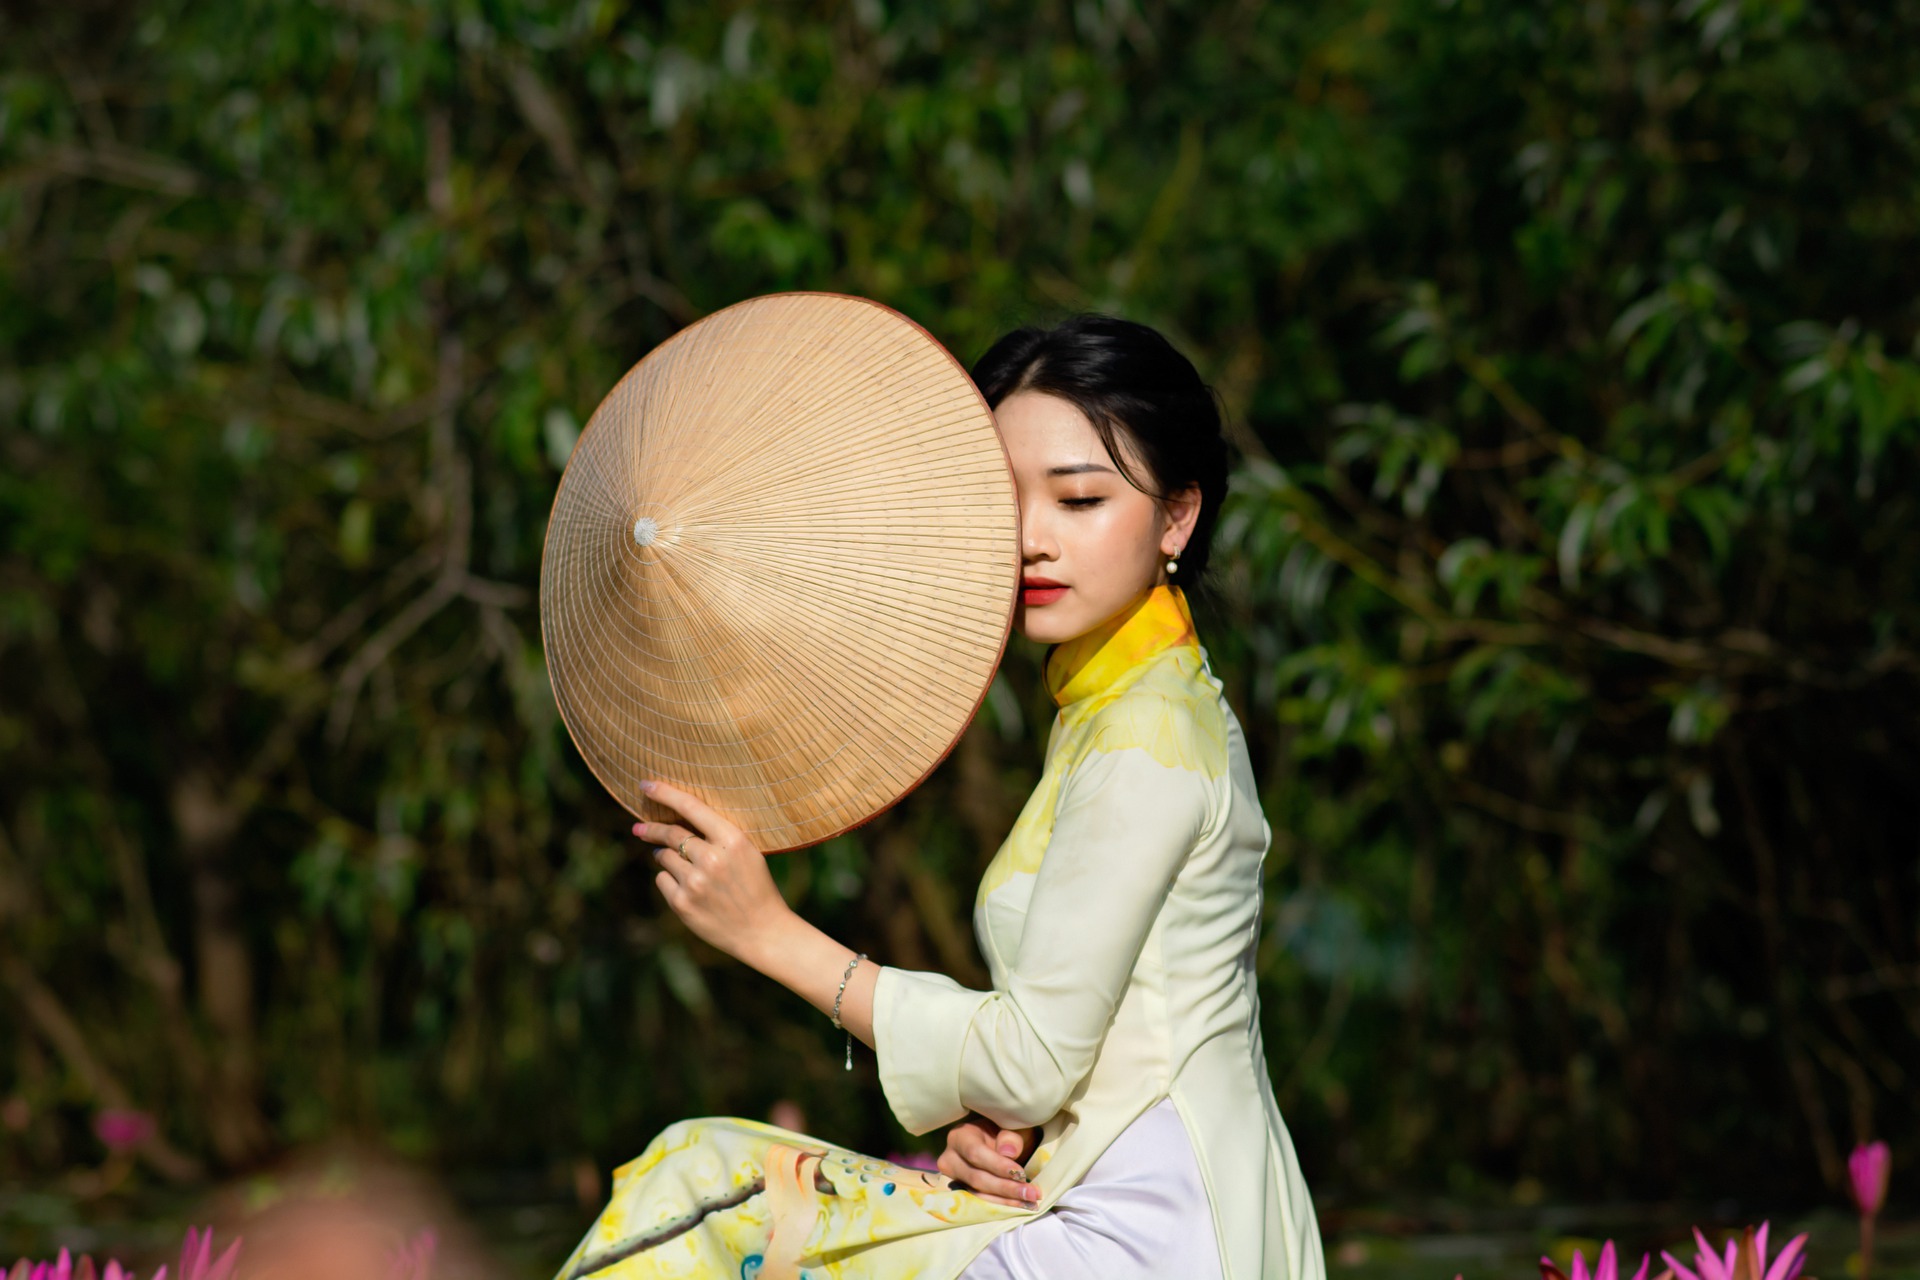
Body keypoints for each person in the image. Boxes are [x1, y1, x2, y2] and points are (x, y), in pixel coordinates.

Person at [554, 315, 1326, 1280]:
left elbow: (1034, 1055)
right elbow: (1082, 1047)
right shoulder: (1121, 702)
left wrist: (769, 934)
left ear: (1178, 518)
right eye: (1004, 500)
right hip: (1108, 1196)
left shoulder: (1147, 738)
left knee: (705, 1195)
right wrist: (1012, 1131)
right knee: (710, 1188)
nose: (1033, 541)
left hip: (1149, 1236)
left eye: (1080, 500)